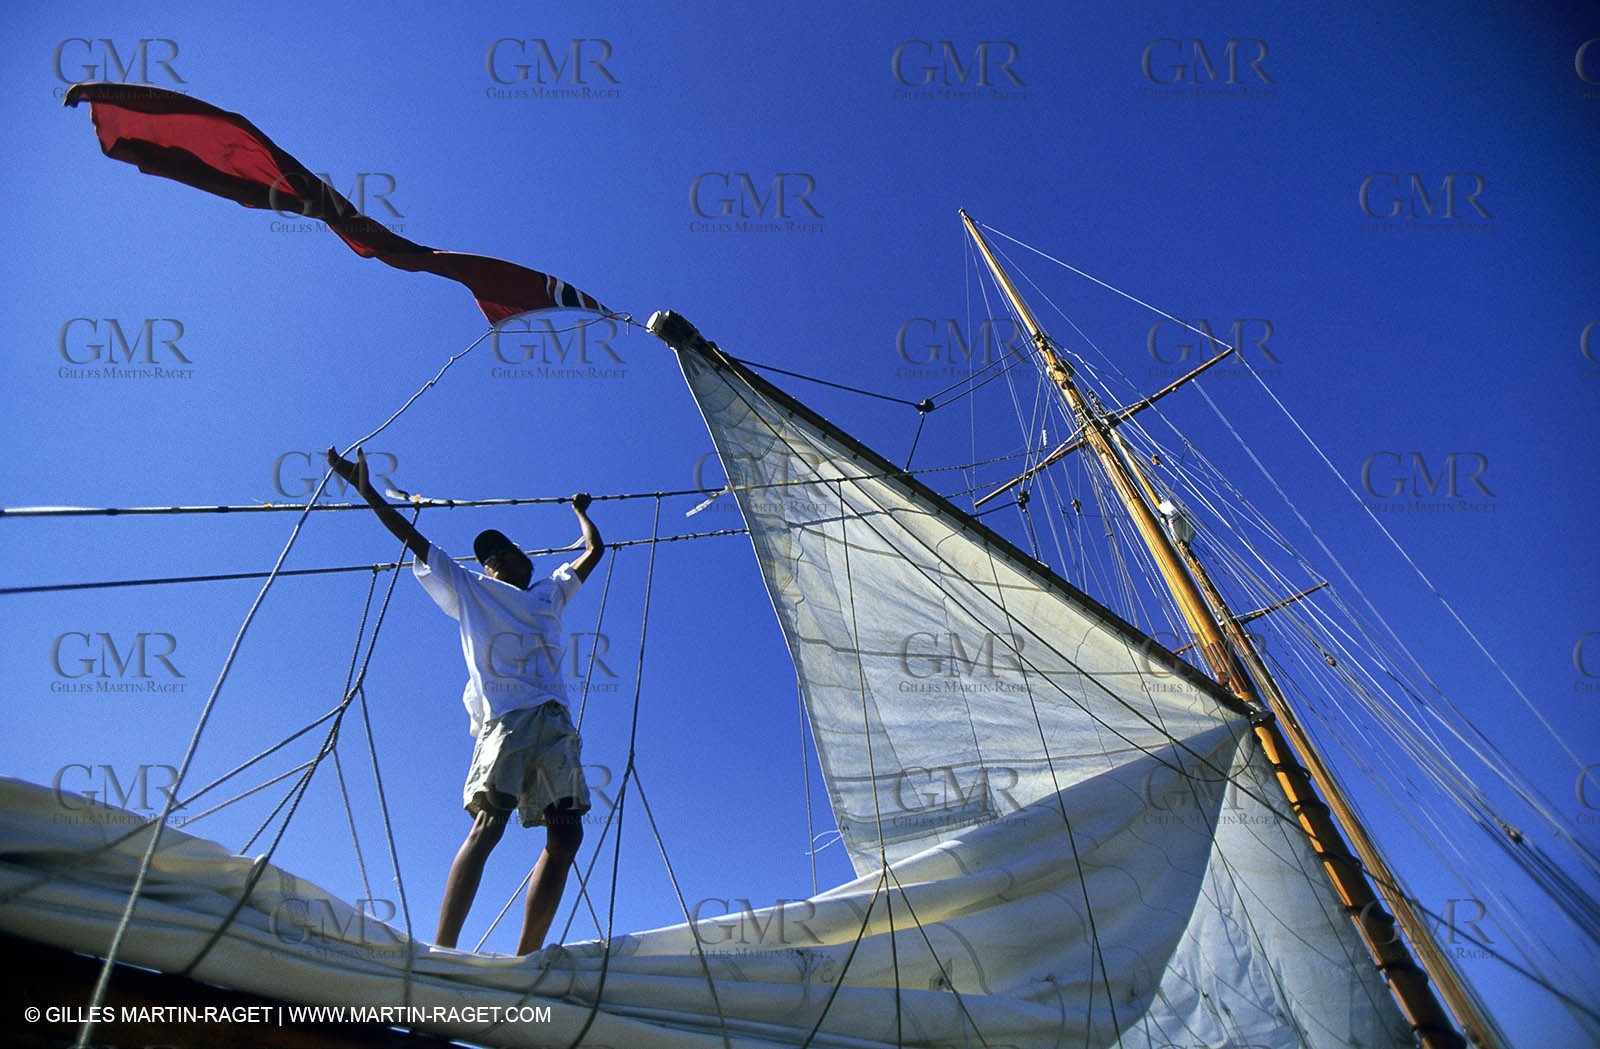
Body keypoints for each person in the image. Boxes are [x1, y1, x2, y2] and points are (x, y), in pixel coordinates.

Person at [326, 446, 604, 955]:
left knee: (567, 838)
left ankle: (526, 959)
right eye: (488, 558)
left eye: (501, 552)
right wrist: (367, 492)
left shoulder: (550, 592)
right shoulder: (471, 589)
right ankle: (442, 951)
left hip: (556, 723)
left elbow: (594, 551)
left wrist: (580, 512)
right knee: (489, 823)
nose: (494, 560)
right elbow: (412, 538)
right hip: (508, 720)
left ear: (521, 557)